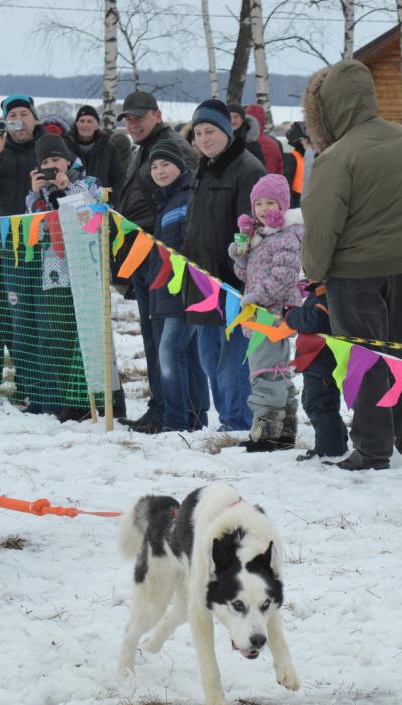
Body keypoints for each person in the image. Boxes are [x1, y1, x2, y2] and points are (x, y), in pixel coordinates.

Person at [301, 59, 402, 471]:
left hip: (354, 274)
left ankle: (373, 448)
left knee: (366, 361)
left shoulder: (337, 156)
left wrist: (314, 271)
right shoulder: (401, 138)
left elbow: (323, 225)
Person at [113, 90, 196, 433]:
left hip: (163, 251)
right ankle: (158, 406)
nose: (133, 124)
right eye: (128, 119)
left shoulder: (173, 146)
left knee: (164, 338)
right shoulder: (140, 151)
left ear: (157, 115)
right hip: (142, 250)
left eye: (139, 117)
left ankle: (173, 412)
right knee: (151, 334)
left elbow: (187, 193)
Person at [183, 98, 264, 432]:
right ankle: (227, 417)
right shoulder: (203, 168)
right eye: (199, 132)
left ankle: (238, 421)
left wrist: (245, 274)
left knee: (233, 359)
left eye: (210, 130)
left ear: (227, 130)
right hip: (203, 279)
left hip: (233, 280)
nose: (204, 138)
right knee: (208, 357)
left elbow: (252, 228)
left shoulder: (246, 168)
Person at [21, 133, 103, 421]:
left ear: (68, 160)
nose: (52, 166)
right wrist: (35, 197)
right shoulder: (39, 194)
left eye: (56, 159)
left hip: (85, 268)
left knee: (86, 336)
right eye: (45, 162)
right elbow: (35, 234)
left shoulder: (88, 183)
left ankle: (92, 399)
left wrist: (67, 191)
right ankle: (67, 399)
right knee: (58, 335)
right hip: (53, 271)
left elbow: (92, 219)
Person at [229, 173, 302, 452]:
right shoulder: (260, 237)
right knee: (277, 370)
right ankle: (285, 430)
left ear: (282, 206)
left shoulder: (285, 237)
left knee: (265, 371)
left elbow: (283, 278)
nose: (263, 209)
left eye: (270, 203)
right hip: (259, 313)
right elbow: (246, 274)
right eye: (259, 204)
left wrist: (254, 297)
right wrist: (241, 255)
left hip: (270, 316)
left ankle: (267, 433)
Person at [144, 139, 209, 433]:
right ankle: (196, 419)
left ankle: (176, 422)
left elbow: (188, 246)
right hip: (166, 291)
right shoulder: (166, 199)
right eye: (154, 166)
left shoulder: (184, 197)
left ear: (180, 166)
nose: (159, 171)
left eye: (166, 164)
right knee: (187, 355)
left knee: (169, 353)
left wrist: (183, 286)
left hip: (182, 290)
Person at [285, 283, 347, 461]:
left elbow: (315, 320)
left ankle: (329, 450)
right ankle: (337, 440)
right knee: (312, 401)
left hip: (323, 361)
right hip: (314, 361)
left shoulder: (327, 292)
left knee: (320, 404)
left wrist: (291, 314)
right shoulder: (317, 291)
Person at [71, 104, 127, 203]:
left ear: (97, 125)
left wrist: (113, 201)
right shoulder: (66, 146)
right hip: (72, 203)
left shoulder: (109, 149)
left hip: (101, 205)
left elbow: (119, 178)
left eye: (89, 121)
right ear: (76, 124)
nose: (85, 124)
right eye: (82, 121)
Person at [281, 121, 312, 209]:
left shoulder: (304, 156)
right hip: (296, 200)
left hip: (302, 197)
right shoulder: (293, 157)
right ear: (301, 141)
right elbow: (287, 183)